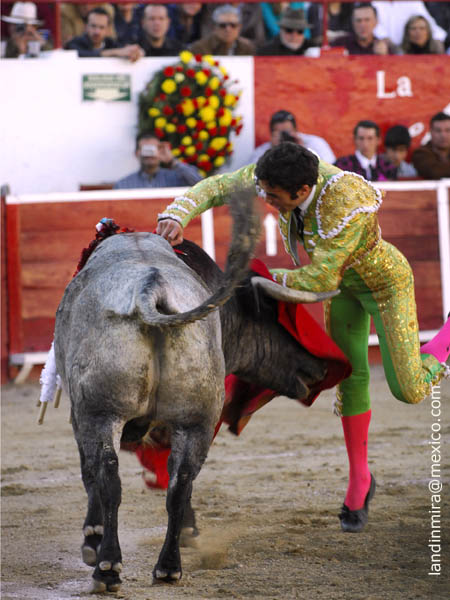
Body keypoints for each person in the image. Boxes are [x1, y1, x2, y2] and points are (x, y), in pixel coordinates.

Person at [155, 142, 450, 533]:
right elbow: (220, 186)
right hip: (343, 292)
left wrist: (263, 278)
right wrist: (179, 213)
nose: (269, 202)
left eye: (276, 198)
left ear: (303, 191)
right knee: (352, 378)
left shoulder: (346, 198)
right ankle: (359, 483)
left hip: (384, 285)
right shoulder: (277, 177)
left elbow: (323, 275)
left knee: (409, 388)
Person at [114, 132, 202, 189]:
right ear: (137, 153)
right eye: (145, 149)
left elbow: (200, 185)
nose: (149, 154)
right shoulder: (123, 185)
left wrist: (172, 161)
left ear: (160, 151)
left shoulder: (176, 178)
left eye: (152, 149)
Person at [248, 109, 336, 166]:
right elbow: (249, 175)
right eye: (280, 133)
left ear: (296, 130)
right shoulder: (264, 150)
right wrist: (273, 152)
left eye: (287, 132)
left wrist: (303, 150)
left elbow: (331, 168)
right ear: (272, 134)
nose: (284, 137)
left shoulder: (314, 143)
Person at [65, 7, 143, 61]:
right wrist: (114, 52)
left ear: (108, 30)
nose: (97, 32)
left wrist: (136, 52)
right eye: (93, 26)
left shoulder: (110, 43)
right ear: (86, 27)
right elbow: (81, 54)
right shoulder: (75, 43)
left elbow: (124, 50)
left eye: (101, 27)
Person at [331, 3, 400, 55]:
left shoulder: (384, 47)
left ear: (376, 22)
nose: (362, 25)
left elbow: (393, 71)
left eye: (367, 20)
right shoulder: (339, 43)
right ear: (352, 22)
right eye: (358, 20)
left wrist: (384, 56)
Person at [189, 4, 255, 56]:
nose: (228, 29)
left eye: (233, 25)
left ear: (239, 27)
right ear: (214, 27)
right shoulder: (199, 48)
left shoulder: (247, 48)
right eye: (223, 25)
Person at [373, 1, 447, 47]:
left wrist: (438, 41)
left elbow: (432, 27)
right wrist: (383, 37)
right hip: (381, 49)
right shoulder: (373, 3)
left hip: (408, 51)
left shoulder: (413, 3)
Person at [412, 112, 450, 179]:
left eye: (447, 130)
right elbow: (434, 172)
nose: (443, 135)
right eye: (438, 131)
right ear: (431, 132)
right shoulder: (420, 153)